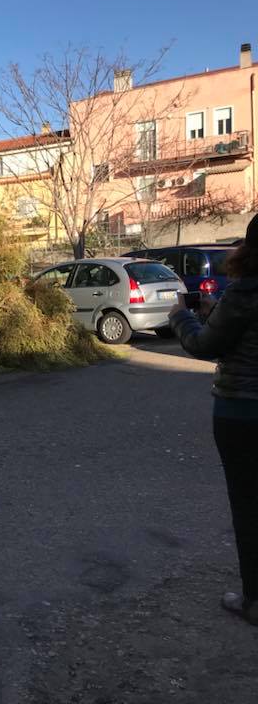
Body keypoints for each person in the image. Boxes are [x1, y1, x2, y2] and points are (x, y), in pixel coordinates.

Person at [169, 212, 258, 625]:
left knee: (248, 505)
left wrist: (182, 317)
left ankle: (254, 601)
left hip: (243, 412)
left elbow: (206, 345)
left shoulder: (245, 293)